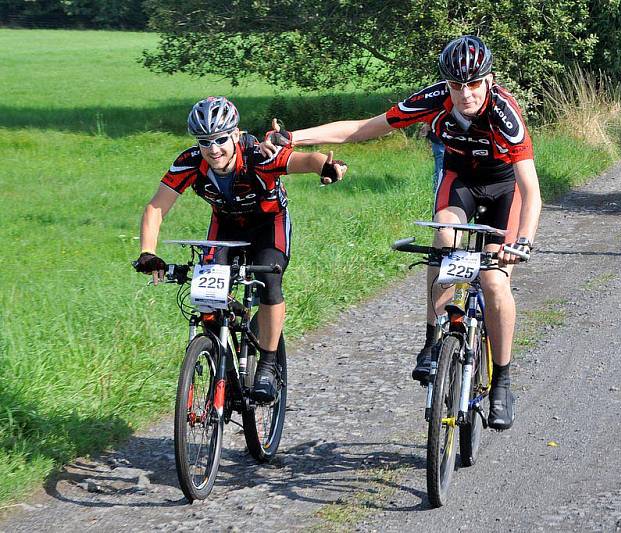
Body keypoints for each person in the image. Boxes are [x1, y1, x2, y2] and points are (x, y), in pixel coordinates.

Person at [260, 35, 542, 430]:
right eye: (457, 85)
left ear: (489, 80)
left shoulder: (505, 114)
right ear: (447, 83)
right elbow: (361, 129)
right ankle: (432, 340)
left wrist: (522, 242)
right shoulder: (434, 100)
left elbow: (531, 191)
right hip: (460, 181)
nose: (465, 94)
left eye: (474, 84)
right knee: (444, 238)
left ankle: (502, 383)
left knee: (494, 283)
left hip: (503, 189)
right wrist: (294, 138)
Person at [133, 96, 347, 403]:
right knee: (207, 300)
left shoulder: (259, 156)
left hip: (268, 225)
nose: (214, 149)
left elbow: (305, 160)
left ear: (236, 134)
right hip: (226, 229)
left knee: (270, 281)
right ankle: (221, 360)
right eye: (205, 141)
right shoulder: (191, 162)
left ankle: (269, 364)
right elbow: (156, 207)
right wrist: (147, 253)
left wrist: (326, 167)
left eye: (221, 139)